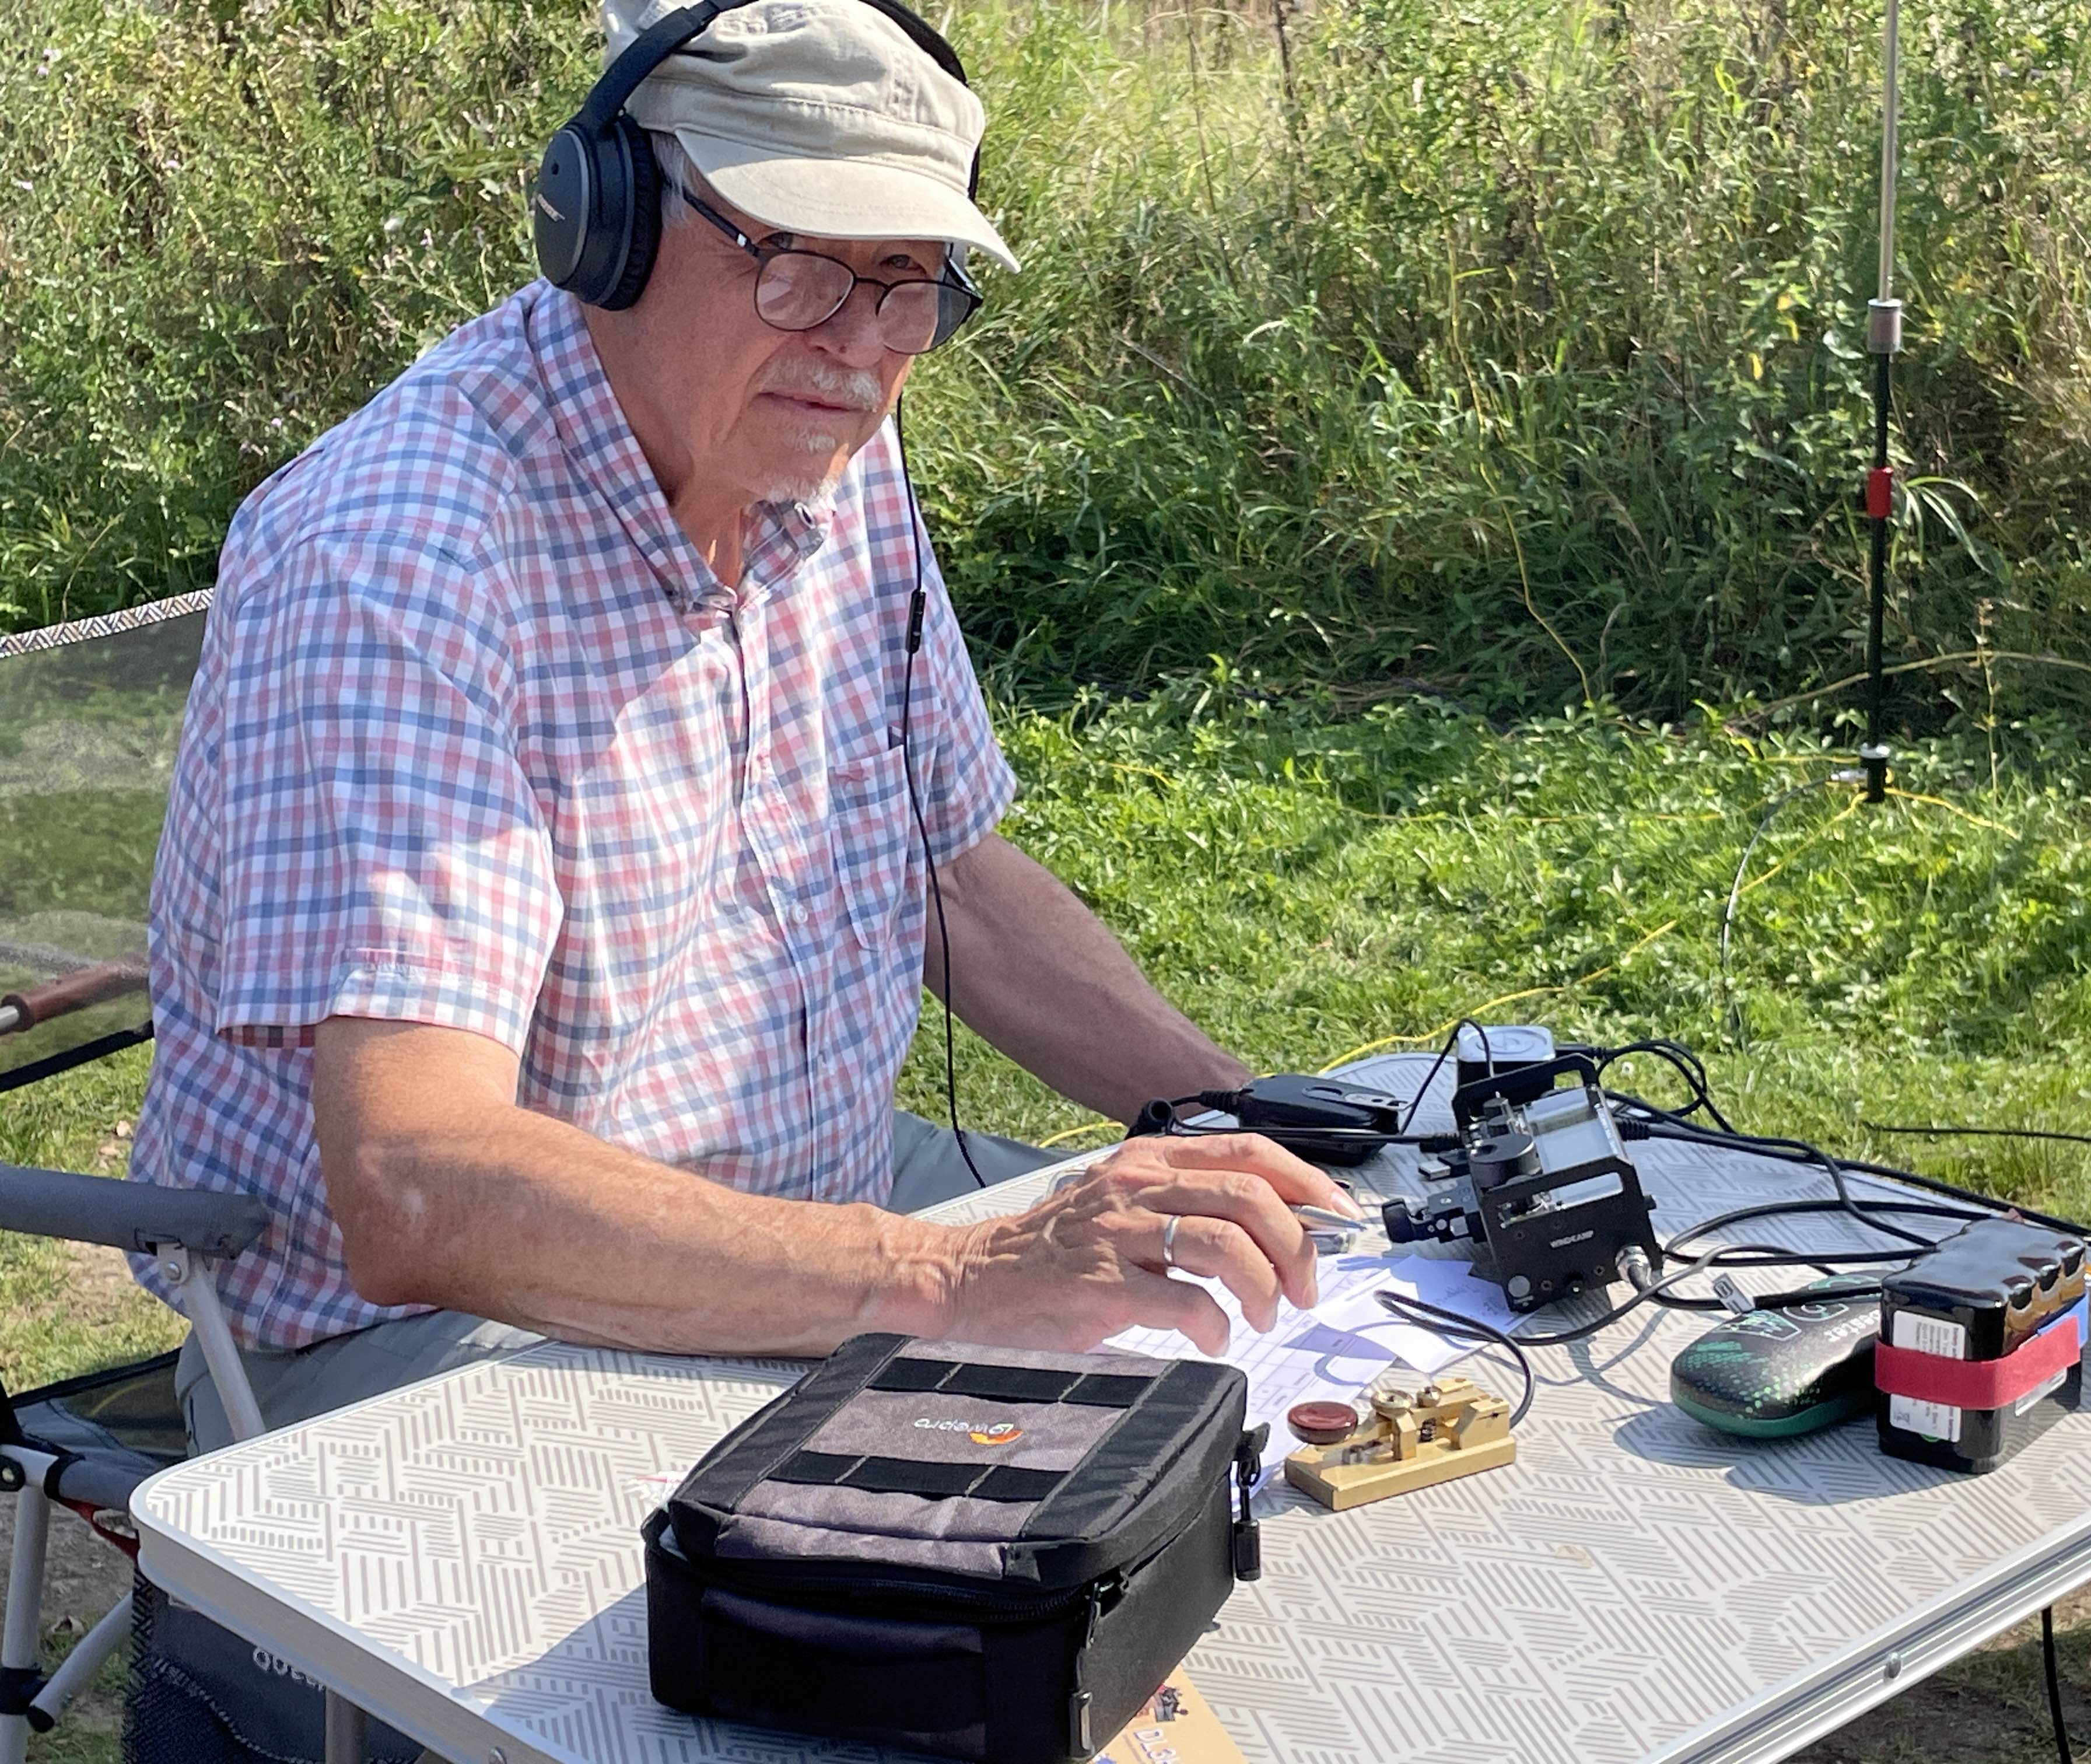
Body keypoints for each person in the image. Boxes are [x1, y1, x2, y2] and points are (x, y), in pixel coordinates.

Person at [132, 0, 1357, 1458]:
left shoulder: (823, 447)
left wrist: (1254, 1122)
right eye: (795, 262)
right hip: (435, 1338)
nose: (854, 345)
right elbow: (420, 1183)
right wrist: (959, 1276)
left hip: (821, 1213)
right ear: (606, 227)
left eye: (906, 284)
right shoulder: (397, 554)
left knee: (1255, 1388)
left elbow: (953, 883)